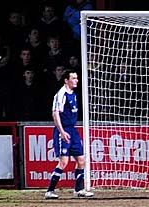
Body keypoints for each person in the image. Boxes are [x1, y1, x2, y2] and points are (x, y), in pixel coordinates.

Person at [44, 70, 94, 199]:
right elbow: (55, 113)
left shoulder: (73, 94)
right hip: (63, 130)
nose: (76, 80)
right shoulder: (61, 94)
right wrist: (61, 131)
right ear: (66, 80)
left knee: (81, 160)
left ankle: (79, 190)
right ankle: (49, 191)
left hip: (73, 130)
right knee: (64, 161)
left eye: (76, 78)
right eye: (73, 78)